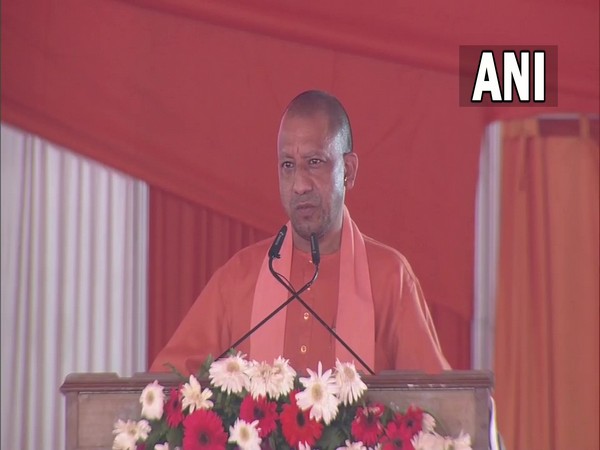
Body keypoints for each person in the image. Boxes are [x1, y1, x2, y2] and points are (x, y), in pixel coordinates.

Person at [150, 90, 450, 375]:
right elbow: (163, 388)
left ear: (348, 170)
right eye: (288, 165)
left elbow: (440, 400)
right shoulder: (239, 277)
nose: (299, 185)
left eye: (314, 163)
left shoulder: (390, 278)